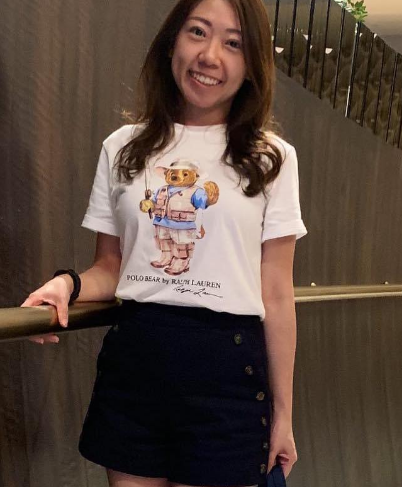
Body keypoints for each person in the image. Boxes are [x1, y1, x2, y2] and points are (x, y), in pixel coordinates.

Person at [21, 0, 307, 486]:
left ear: (252, 63)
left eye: (233, 43)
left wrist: (283, 414)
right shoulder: (123, 147)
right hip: (136, 363)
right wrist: (67, 285)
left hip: (226, 372)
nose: (210, 55)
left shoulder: (271, 158)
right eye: (197, 32)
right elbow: (111, 267)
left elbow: (277, 293)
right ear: (172, 41)